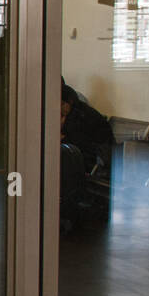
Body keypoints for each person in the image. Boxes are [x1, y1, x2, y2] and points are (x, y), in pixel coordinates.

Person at [60, 80, 113, 217]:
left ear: (66, 104)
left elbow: (76, 142)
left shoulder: (80, 117)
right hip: (91, 154)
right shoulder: (76, 111)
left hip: (97, 158)